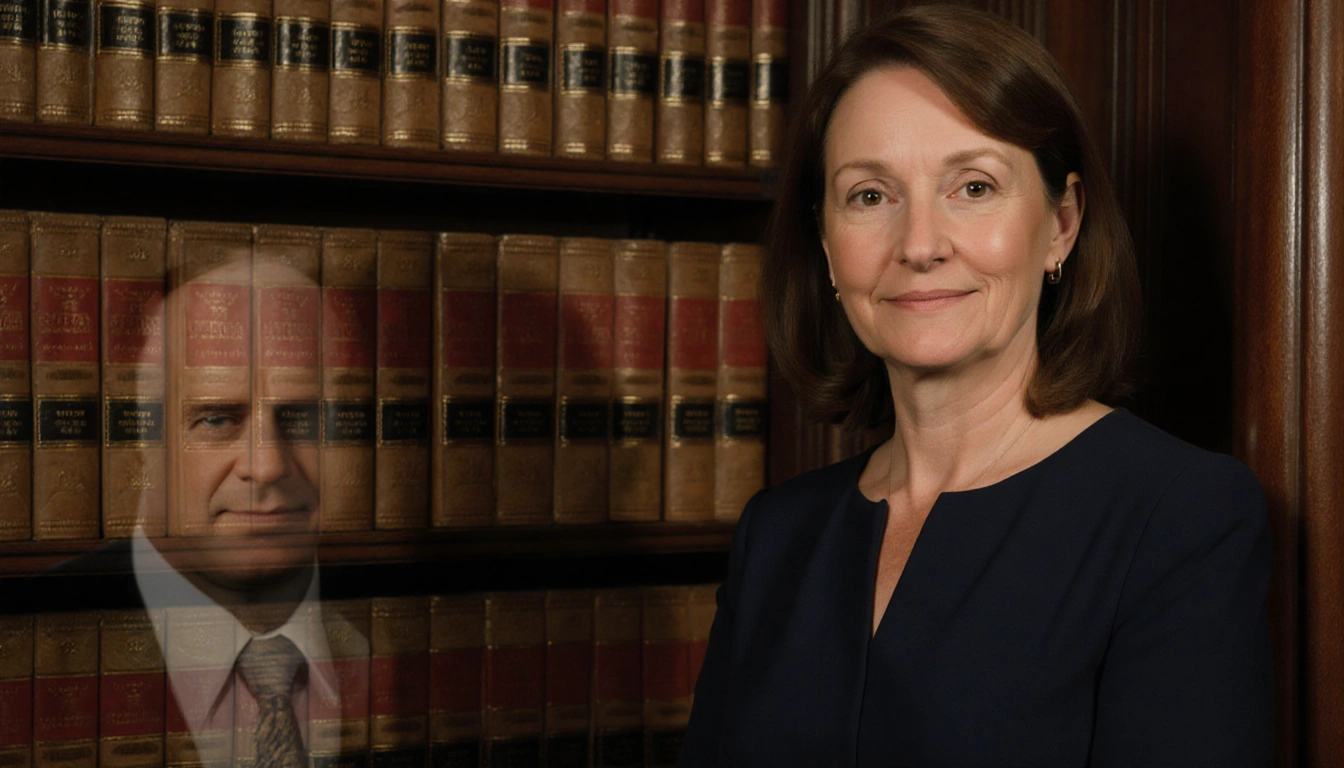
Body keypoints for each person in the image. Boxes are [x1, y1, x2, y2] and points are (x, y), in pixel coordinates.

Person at [678, 6, 1271, 767]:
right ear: (826, 246)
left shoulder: (1180, 518)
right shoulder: (779, 535)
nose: (920, 245)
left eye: (974, 187)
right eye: (870, 196)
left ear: (1061, 224)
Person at [17, 241, 363, 768]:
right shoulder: (25, 650)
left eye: (302, 419)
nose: (267, 466)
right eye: (217, 419)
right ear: (143, 443)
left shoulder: (403, 639)